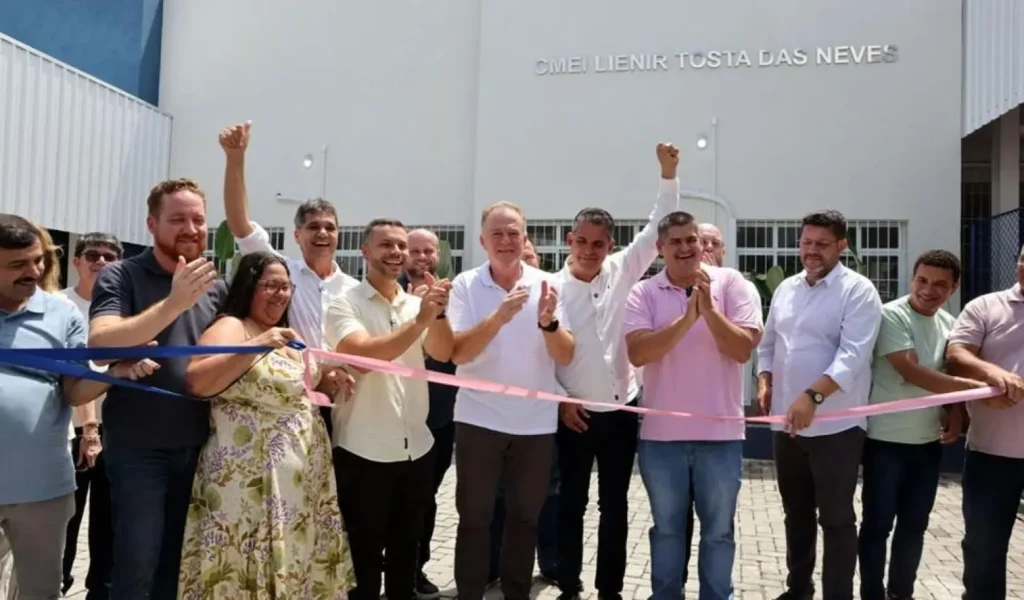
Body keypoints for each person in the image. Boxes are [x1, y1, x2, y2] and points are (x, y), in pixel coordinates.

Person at [178, 251, 355, 597]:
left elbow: (290, 388)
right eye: (270, 285)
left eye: (286, 287)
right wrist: (255, 345)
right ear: (248, 286)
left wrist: (331, 378)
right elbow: (196, 381)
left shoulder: (284, 332)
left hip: (301, 480)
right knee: (245, 561)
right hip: (249, 479)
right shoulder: (233, 326)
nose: (281, 294)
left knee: (296, 559)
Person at [0, 215, 156, 600]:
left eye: (38, 260)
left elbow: (74, 391)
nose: (33, 271)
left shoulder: (61, 314)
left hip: (42, 489)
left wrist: (115, 371)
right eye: (18, 264)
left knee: (41, 592)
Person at [553, 143, 681, 600]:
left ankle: (610, 590)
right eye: (581, 241)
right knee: (571, 503)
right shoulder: (549, 288)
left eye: (598, 243)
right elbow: (539, 352)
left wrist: (668, 173)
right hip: (573, 415)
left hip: (622, 411)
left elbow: (658, 223)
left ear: (610, 244)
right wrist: (559, 398)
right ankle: (569, 586)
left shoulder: (624, 270)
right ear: (570, 241)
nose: (589, 250)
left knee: (615, 507)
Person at [88, 179, 226, 599]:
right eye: (177, 219)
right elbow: (100, 342)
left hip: (201, 443)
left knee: (177, 563)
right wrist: (174, 304)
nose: (191, 228)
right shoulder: (121, 274)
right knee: (137, 564)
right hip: (139, 449)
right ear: (151, 223)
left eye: (199, 219)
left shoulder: (215, 284)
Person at [624, 211, 762, 600]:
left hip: (720, 437)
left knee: (719, 532)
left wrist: (710, 311)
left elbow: (740, 350)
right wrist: (687, 319)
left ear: (702, 245)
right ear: (661, 248)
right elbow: (638, 352)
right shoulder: (644, 292)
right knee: (666, 530)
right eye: (676, 242)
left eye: (692, 240)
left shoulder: (731, 283)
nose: (686, 248)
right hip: (661, 440)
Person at [448, 201, 574, 600]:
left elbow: (565, 354)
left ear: (525, 239)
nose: (506, 241)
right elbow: (458, 352)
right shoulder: (465, 286)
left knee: (524, 519)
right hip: (478, 418)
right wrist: (499, 317)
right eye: (497, 234)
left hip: (535, 424)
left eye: (513, 233)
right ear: (483, 240)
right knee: (474, 517)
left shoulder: (548, 284)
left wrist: (548, 323)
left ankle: (516, 594)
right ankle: (470, 593)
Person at [755, 210, 882, 600]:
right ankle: (799, 588)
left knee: (837, 518)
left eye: (821, 244)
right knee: (797, 513)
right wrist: (765, 380)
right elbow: (769, 342)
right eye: (806, 243)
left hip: (835, 428)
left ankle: (837, 594)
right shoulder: (787, 289)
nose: (812, 251)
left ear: (841, 246)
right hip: (788, 426)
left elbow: (853, 355)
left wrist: (813, 397)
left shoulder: (858, 291)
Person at [325, 219, 455, 600]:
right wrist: (421, 321)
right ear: (364, 251)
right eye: (386, 245)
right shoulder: (344, 304)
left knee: (405, 553)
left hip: (416, 447)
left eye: (402, 246)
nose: (396, 253)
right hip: (363, 451)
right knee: (363, 558)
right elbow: (365, 357)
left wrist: (440, 314)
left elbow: (444, 352)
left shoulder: (419, 304)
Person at [219, 121, 359, 440]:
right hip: (288, 396)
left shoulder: (354, 290)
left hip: (345, 401)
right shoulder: (281, 273)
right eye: (313, 227)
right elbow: (239, 224)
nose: (322, 233)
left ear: (338, 235)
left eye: (329, 227)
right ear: (297, 235)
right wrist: (235, 158)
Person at [857, 250, 981, 600]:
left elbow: (950, 373)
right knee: (878, 524)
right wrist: (972, 390)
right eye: (922, 280)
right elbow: (910, 370)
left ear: (953, 288)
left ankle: (901, 593)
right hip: (885, 441)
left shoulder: (950, 324)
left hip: (927, 444)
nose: (929, 290)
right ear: (913, 278)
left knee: (914, 525)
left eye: (940, 284)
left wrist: (956, 413)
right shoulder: (891, 315)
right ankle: (870, 593)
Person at [945, 244, 1024, 600]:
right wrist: (995, 373)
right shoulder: (984, 307)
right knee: (983, 547)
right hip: (991, 453)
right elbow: (957, 355)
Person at [59, 232, 124, 599]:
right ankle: (58, 583)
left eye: (109, 256)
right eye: (93, 255)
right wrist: (87, 430)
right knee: (66, 520)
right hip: (67, 432)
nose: (101, 262)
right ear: (77, 262)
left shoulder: (124, 310)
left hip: (116, 429)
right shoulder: (59, 306)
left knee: (107, 523)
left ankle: (99, 591)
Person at [399, 228, 458, 598]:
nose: (421, 257)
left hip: (438, 417)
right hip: (392, 415)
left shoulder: (456, 296)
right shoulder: (386, 295)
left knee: (425, 498)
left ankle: (414, 568)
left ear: (438, 255)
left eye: (428, 251)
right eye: (414, 250)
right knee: (387, 498)